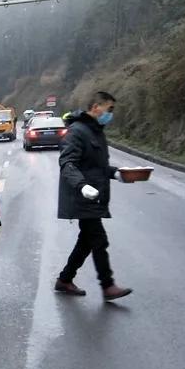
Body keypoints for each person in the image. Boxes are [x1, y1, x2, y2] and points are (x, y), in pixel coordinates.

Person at [54, 91, 134, 300]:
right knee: (99, 239)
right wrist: (81, 186)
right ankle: (107, 286)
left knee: (87, 241)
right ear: (96, 107)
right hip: (82, 197)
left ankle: (64, 279)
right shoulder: (77, 131)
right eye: (109, 109)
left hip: (94, 196)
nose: (111, 114)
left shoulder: (96, 131)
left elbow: (97, 167)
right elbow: (67, 163)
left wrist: (116, 173)